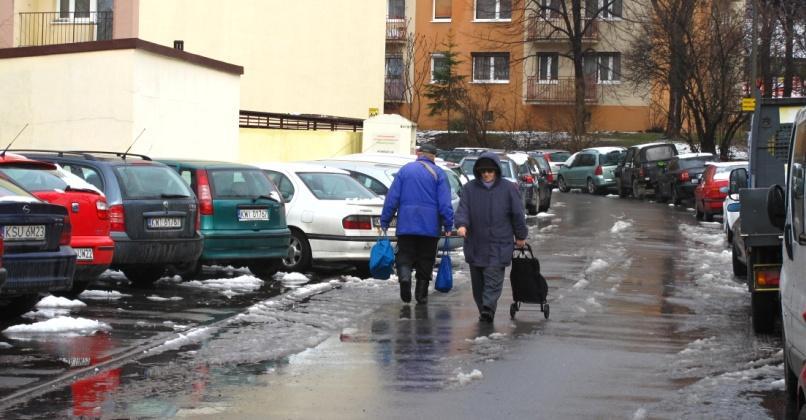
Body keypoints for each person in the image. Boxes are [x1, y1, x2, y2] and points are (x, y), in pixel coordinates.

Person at [455, 152, 527, 322]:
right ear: (478, 172)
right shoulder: (470, 189)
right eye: (483, 171)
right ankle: (484, 309)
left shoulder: (508, 189)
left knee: (493, 278)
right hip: (476, 242)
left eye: (490, 171)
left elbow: (518, 214)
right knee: (478, 283)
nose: (486, 174)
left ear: (496, 171)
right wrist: (462, 225)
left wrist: (521, 235)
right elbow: (463, 209)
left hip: (499, 242)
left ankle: (488, 308)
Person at [381, 143, 454, 304]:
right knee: (426, 258)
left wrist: (385, 220)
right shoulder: (439, 173)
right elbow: (444, 203)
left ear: (419, 154)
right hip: (430, 226)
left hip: (406, 224)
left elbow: (392, 198)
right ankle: (421, 294)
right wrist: (448, 224)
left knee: (404, 255)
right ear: (433, 156)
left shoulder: (405, 170)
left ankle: (405, 278)